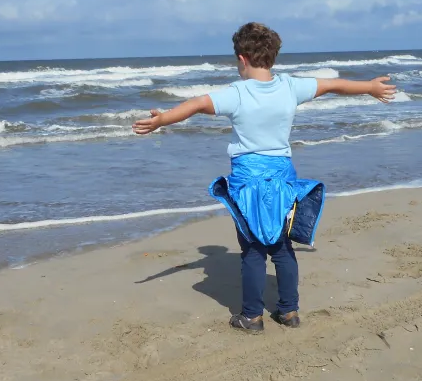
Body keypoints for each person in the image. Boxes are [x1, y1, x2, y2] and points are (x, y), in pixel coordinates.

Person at [133, 22, 397, 333]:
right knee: (281, 246)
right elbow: (332, 84)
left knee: (253, 249)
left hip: (248, 180)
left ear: (242, 59)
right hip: (282, 177)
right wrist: (370, 87)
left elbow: (197, 104)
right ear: (272, 57)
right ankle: (289, 311)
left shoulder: (237, 93)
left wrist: (162, 120)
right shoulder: (290, 87)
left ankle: (252, 316)